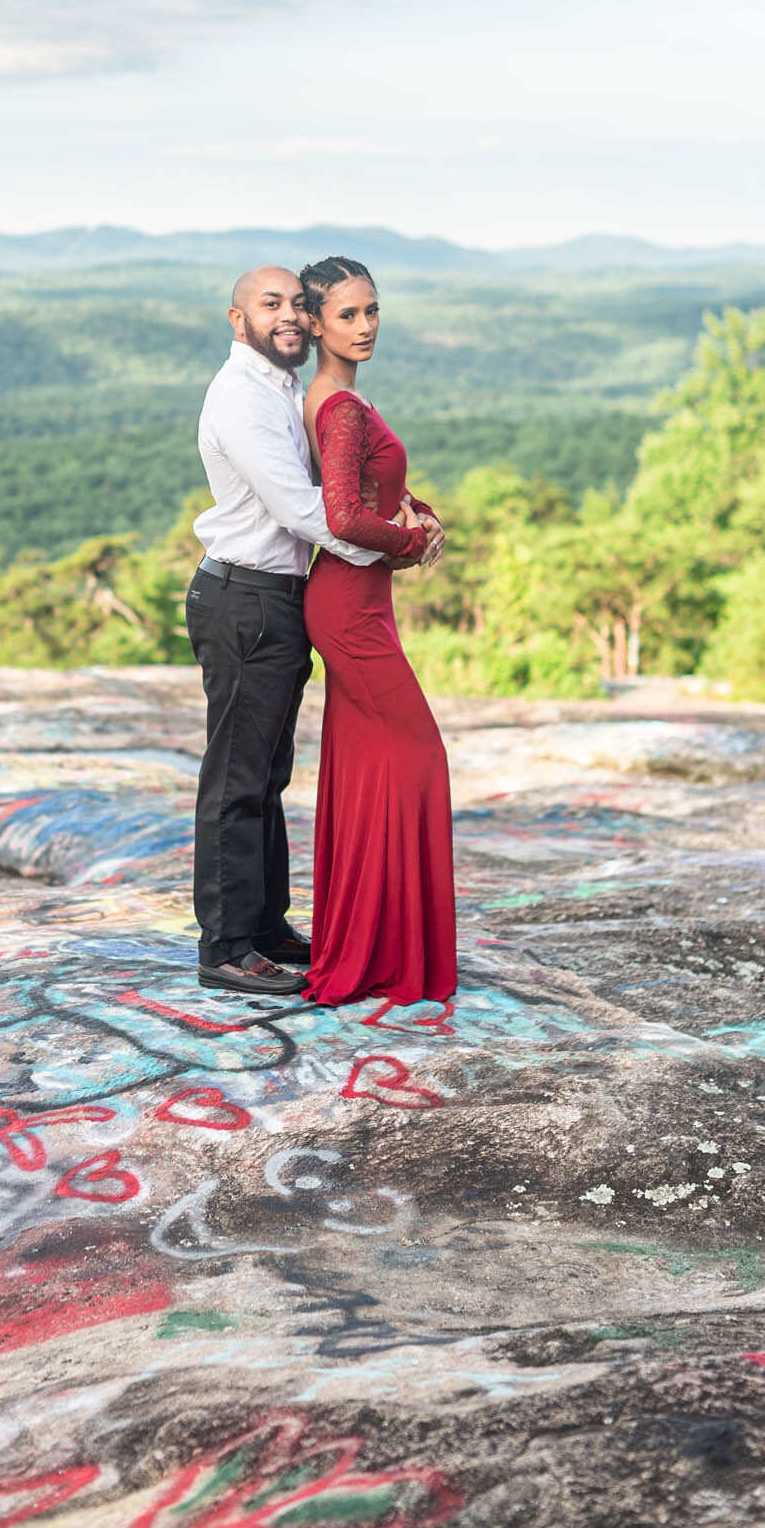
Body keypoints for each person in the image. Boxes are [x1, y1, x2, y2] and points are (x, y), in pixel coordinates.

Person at [187, 265, 425, 997]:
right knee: (236, 778)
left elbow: (340, 481)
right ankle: (225, 946)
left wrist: (404, 509)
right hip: (244, 598)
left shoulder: (284, 387)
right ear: (237, 321)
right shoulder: (242, 398)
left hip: (278, 599)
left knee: (266, 773)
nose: (288, 314)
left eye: (296, 303)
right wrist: (396, 544)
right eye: (270, 305)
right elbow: (302, 508)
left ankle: (263, 927)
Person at [299, 254, 456, 1007]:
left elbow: (364, 485)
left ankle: (373, 946)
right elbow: (340, 516)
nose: (364, 327)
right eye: (347, 315)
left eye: (371, 311)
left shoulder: (334, 400)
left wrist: (414, 508)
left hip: (360, 600)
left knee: (368, 769)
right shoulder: (340, 407)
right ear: (317, 323)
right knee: (418, 754)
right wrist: (411, 542)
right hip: (348, 609)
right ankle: (385, 951)